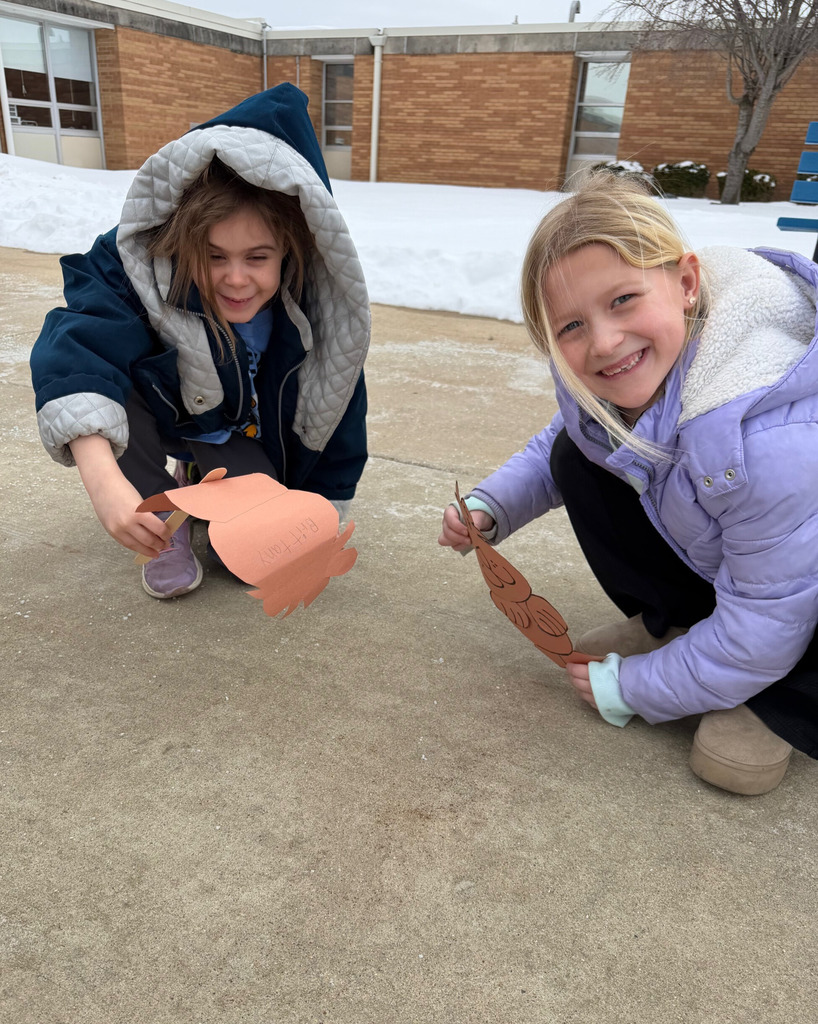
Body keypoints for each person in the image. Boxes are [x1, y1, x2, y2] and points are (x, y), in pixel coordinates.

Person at [439, 171, 818, 795]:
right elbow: (552, 446)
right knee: (575, 450)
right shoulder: (632, 377)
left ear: (687, 283)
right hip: (757, 579)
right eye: (570, 327)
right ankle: (680, 622)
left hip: (794, 603)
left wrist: (638, 689)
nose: (605, 342)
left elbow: (770, 619)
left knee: (786, 623)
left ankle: (783, 705)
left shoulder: (765, 441)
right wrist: (490, 507)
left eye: (622, 301)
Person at [31, 83, 369, 600]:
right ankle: (161, 515)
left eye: (257, 258)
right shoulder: (131, 260)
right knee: (112, 395)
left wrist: (322, 506)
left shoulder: (316, 304)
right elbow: (79, 350)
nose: (236, 280)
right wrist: (103, 482)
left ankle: (197, 473)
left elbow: (337, 405)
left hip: (234, 427)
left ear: (290, 251)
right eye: (214, 257)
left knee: (254, 562)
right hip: (158, 409)